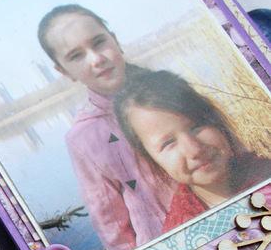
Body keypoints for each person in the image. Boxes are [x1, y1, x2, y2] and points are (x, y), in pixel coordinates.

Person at [37, 5, 175, 250]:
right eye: (76, 56)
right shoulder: (84, 138)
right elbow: (111, 224)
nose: (96, 59)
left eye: (99, 42)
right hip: (165, 247)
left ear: (116, 40)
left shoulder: (168, 88)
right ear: (64, 71)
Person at [114, 70, 271, 231]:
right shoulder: (182, 233)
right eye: (168, 143)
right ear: (151, 158)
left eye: (196, 126)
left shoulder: (265, 172)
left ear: (215, 120)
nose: (195, 150)